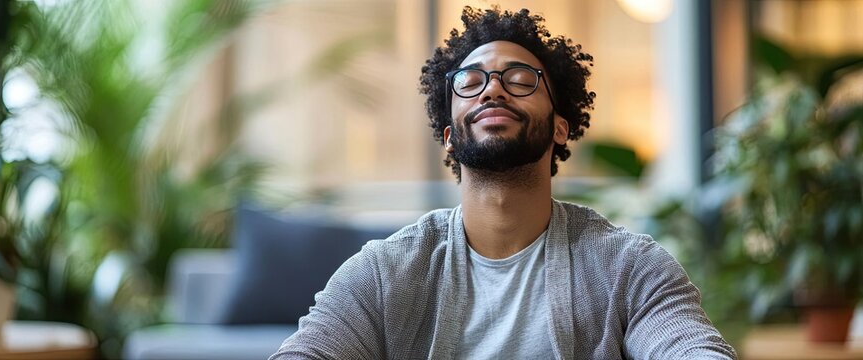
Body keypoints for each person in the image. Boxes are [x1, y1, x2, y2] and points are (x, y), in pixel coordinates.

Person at [272, 6, 735, 360]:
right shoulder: (384, 272)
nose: (493, 89)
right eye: (471, 82)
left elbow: (690, 347)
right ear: (450, 137)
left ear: (559, 126)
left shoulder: (629, 268)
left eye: (518, 79)